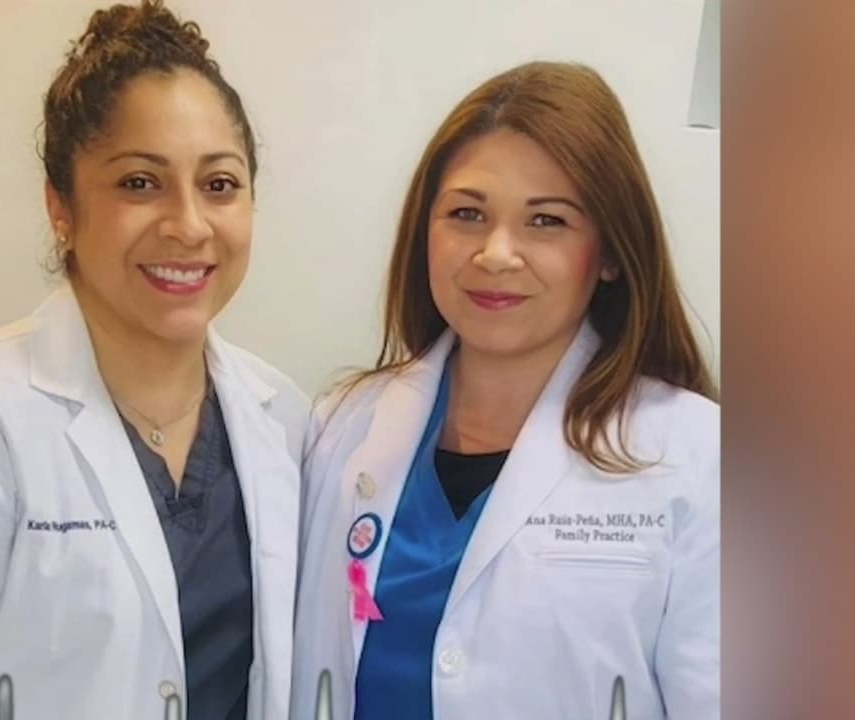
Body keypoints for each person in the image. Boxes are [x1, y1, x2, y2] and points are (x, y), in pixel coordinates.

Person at [0, 3, 308, 718]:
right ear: (61, 208)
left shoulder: (286, 420)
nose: (189, 225)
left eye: (219, 185)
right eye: (139, 183)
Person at [291, 61, 720, 719]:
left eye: (546, 221)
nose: (495, 253)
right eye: (466, 214)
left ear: (610, 253)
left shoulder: (699, 459)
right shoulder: (341, 427)